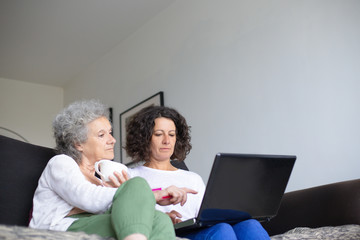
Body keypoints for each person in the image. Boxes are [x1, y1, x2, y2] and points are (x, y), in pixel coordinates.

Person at [29, 99, 193, 240]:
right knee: (136, 184)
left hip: (93, 225)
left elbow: (129, 212)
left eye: (110, 133)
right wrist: (147, 194)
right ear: (77, 143)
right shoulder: (60, 163)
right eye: (102, 135)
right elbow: (87, 198)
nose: (112, 140)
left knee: (159, 219)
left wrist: (140, 201)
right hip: (59, 229)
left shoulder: (102, 176)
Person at [125, 105, 271, 240]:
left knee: (250, 225)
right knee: (222, 230)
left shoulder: (192, 178)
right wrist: (160, 218)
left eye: (171, 134)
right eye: (158, 134)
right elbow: (125, 215)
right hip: (170, 233)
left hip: (198, 228)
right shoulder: (132, 176)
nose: (166, 141)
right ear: (144, 138)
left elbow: (207, 216)